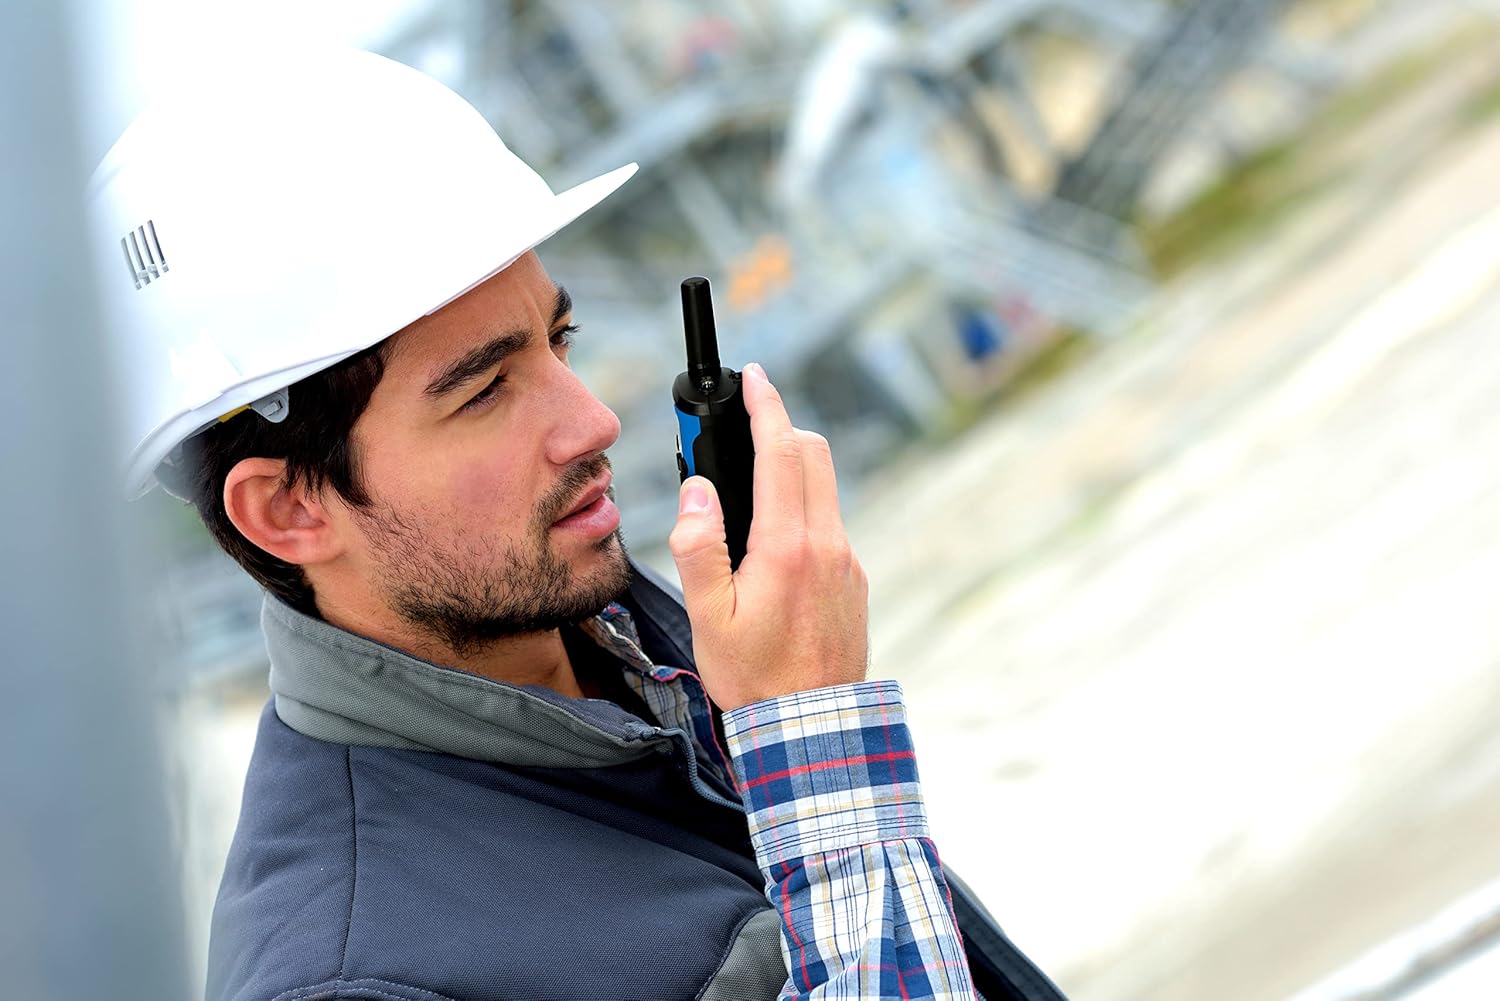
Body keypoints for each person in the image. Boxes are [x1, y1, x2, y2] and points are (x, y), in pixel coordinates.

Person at [90, 49, 1066, 1001]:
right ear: (289, 509)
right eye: (484, 391)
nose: (593, 420)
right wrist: (818, 759)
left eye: (559, 340)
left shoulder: (622, 635)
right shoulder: (362, 974)